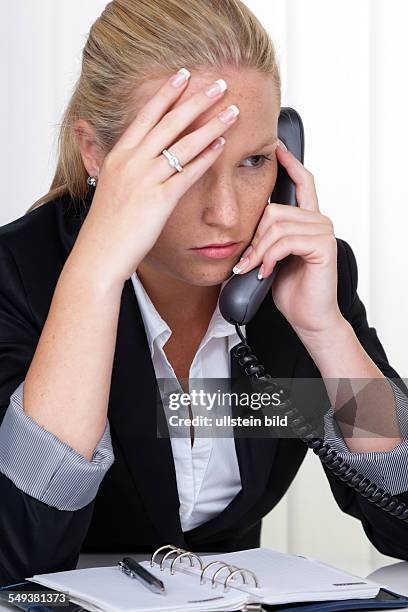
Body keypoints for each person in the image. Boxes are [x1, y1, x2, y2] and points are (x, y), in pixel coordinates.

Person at [0, 0, 408, 586]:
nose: (225, 215)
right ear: (96, 151)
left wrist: (325, 330)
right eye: (185, 162)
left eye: (253, 161)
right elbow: (17, 556)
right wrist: (94, 279)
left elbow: (403, 520)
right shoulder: (18, 275)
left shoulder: (299, 276)